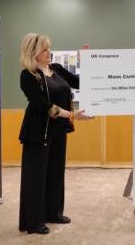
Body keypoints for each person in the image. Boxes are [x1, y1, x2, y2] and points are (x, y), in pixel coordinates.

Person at [18, 33, 91, 234]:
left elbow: (79, 83)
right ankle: (33, 222)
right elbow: (44, 106)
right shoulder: (28, 75)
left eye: (49, 48)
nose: (49, 52)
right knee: (36, 177)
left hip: (58, 130)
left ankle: (54, 213)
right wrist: (73, 115)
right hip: (37, 132)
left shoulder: (56, 69)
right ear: (34, 52)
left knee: (56, 173)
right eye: (45, 49)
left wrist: (89, 62)